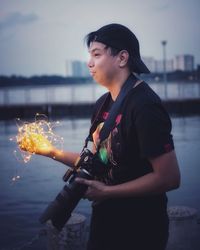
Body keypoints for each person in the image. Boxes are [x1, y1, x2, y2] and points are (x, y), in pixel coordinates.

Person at [19, 24, 181, 250]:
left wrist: (107, 192)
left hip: (140, 227)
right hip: (104, 222)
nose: (89, 63)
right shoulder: (102, 105)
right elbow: (97, 161)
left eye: (97, 54)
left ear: (122, 58)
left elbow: (169, 178)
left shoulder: (144, 105)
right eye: (89, 56)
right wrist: (47, 150)